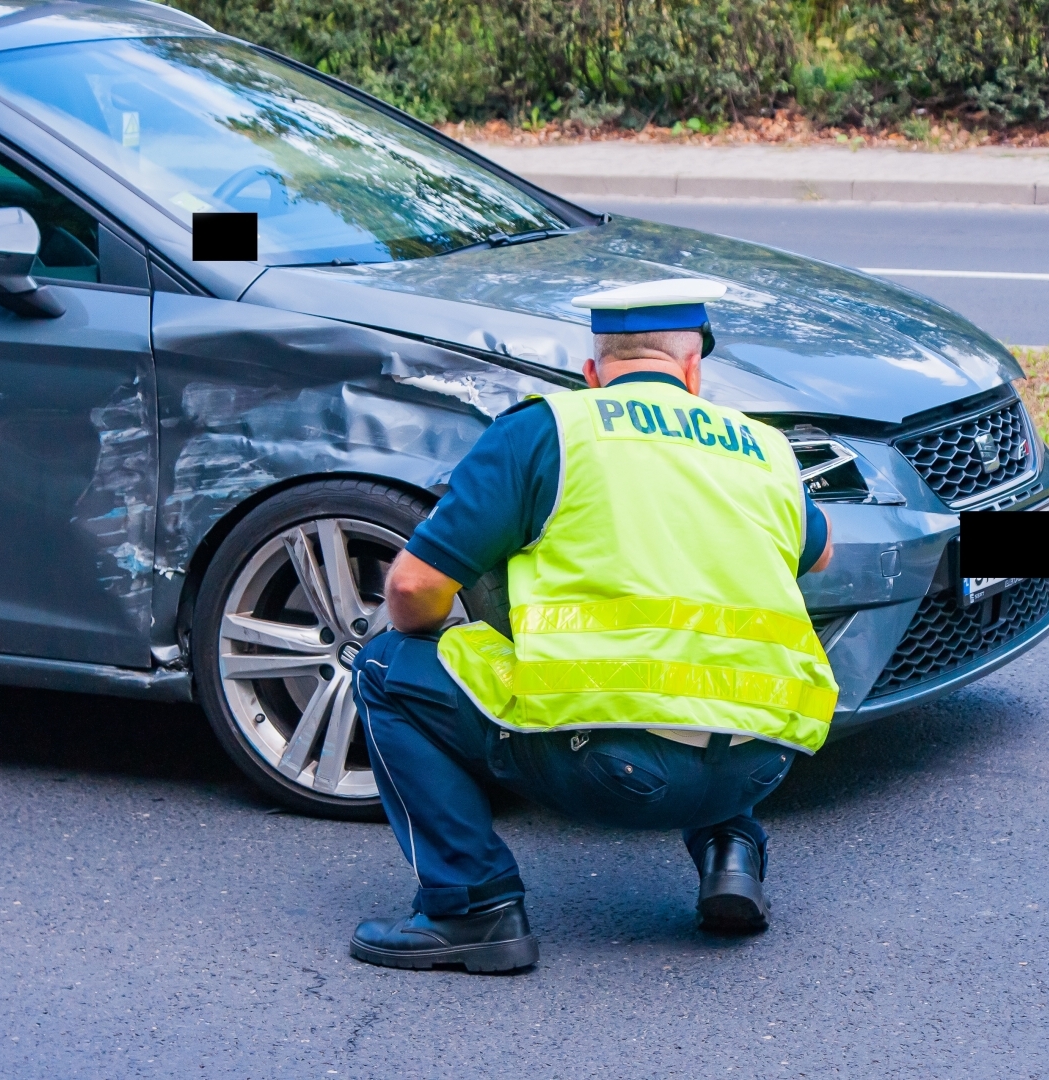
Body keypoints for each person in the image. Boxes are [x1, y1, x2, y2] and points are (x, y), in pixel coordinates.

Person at [347, 278, 838, 973]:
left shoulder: (548, 429)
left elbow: (412, 586)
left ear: (592, 373)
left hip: (609, 769)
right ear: (693, 372)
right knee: (706, 668)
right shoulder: (763, 447)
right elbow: (819, 551)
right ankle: (731, 853)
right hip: (760, 765)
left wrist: (440, 634)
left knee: (383, 667)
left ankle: (471, 908)